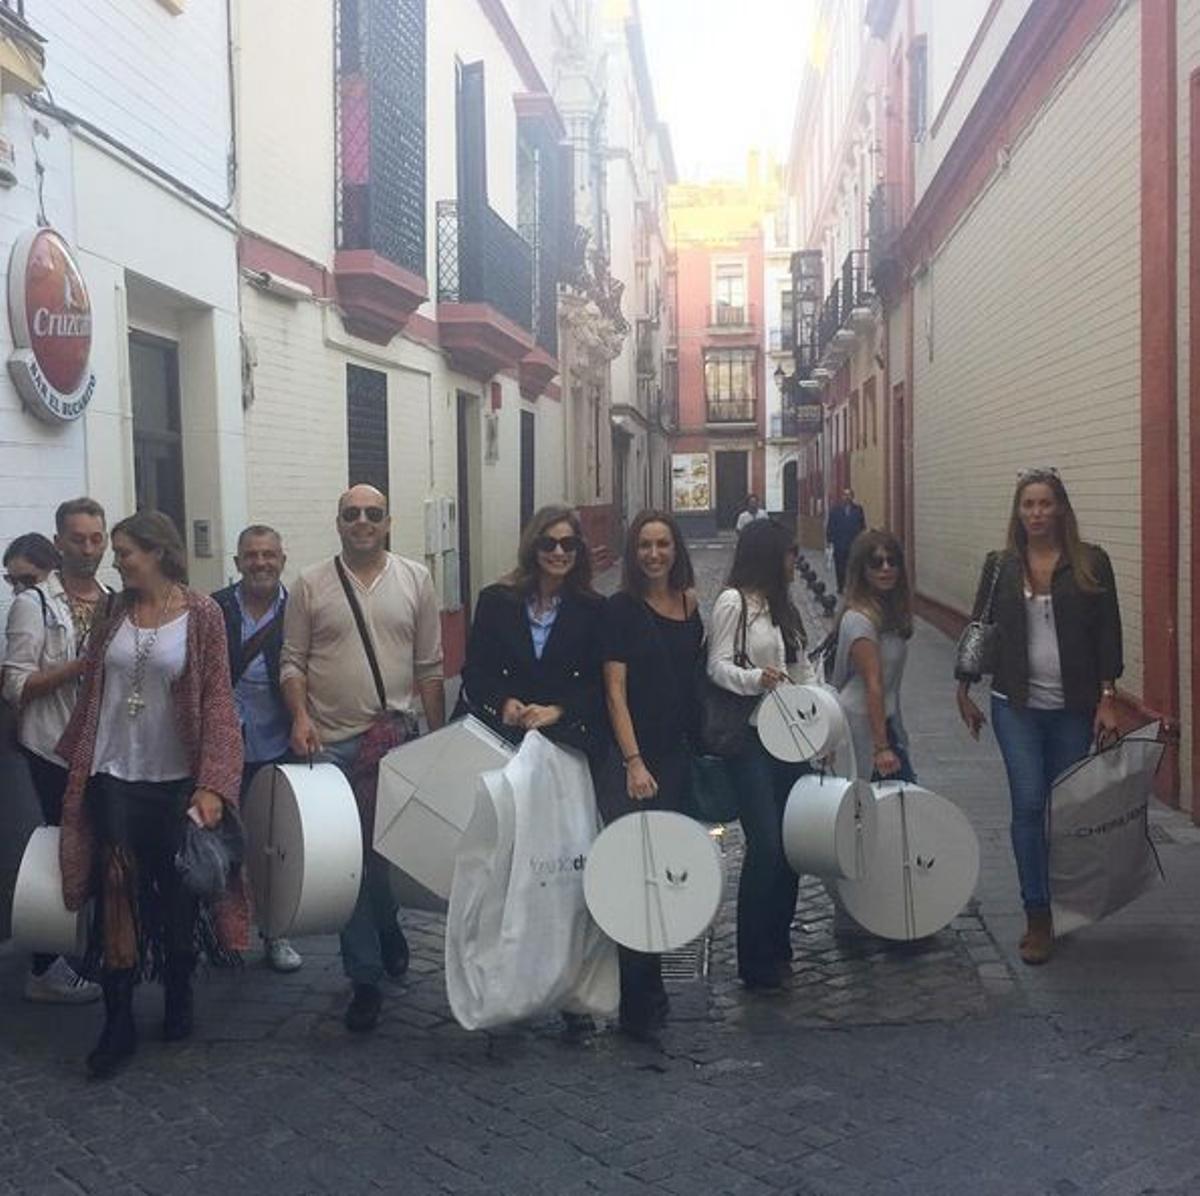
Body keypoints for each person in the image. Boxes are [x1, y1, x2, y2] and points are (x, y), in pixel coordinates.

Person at [57, 511, 247, 1079]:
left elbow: (217, 701)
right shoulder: (114, 612)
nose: (117, 560)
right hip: (113, 773)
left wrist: (214, 783)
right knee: (116, 889)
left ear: (158, 552)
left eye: (126, 551)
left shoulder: (204, 615)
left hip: (175, 779)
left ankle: (179, 987)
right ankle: (117, 1020)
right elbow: (95, 685)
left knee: (177, 894)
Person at [281, 484, 445, 1034]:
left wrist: (438, 742)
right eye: (352, 514)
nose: (362, 522)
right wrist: (300, 717)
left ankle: (390, 925)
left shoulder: (416, 580)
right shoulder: (309, 584)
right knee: (346, 862)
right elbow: (292, 663)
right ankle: (365, 978)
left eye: (373, 514)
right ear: (338, 522)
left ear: (388, 522)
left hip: (394, 739)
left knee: (382, 855)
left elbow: (430, 667)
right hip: (329, 743)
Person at [956, 468, 1122, 966]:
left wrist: (1108, 696)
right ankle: (1037, 915)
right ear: (1018, 511)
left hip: (1073, 708)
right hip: (1016, 706)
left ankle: (1063, 899)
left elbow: (1108, 634)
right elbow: (979, 626)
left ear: (1061, 509)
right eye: (1028, 504)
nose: (1036, 513)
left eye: (1045, 503)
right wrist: (964, 688)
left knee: (1060, 810)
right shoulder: (1002, 565)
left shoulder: (1091, 563)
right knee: (1028, 805)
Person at [3, 499, 112, 1004]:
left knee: (98, 857)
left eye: (96, 538)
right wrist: (79, 668)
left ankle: (92, 951)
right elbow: (16, 686)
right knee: (55, 855)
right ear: (59, 541)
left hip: (103, 750)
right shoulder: (35, 604)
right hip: (50, 749)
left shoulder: (115, 600)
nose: (88, 549)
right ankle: (45, 967)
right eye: (78, 539)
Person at [600, 510, 703, 1040]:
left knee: (664, 875)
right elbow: (615, 691)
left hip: (679, 757)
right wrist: (633, 761)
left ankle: (655, 983)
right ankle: (637, 999)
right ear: (633, 552)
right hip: (639, 762)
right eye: (644, 545)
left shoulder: (689, 605)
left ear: (675, 549)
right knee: (635, 876)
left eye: (663, 544)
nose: (654, 554)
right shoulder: (621, 609)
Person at [708, 518, 817, 990]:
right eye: (790, 552)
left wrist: (820, 713)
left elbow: (803, 666)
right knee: (766, 845)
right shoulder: (734, 603)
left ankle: (778, 945)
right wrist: (757, 679)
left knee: (792, 845)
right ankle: (753, 957)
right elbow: (716, 665)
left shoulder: (783, 607)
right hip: (750, 738)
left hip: (791, 737)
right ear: (770, 555)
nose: (796, 560)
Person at [212, 524, 301, 974]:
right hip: (225, 747)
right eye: (251, 555)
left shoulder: (300, 610)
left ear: (282, 560)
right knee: (224, 843)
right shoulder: (217, 607)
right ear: (237, 563)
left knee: (274, 843)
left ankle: (276, 932)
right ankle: (226, 933)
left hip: (278, 741)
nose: (261, 563)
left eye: (269, 555)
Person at [459, 504, 607, 766]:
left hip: (565, 746)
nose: (559, 552)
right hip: (502, 741)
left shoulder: (595, 610)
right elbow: (475, 671)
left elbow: (599, 684)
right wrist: (503, 703)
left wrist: (559, 710)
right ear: (533, 548)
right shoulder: (495, 602)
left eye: (568, 544)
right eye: (548, 544)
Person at [830, 530, 916, 783]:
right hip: (862, 724)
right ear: (862, 570)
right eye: (876, 563)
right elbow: (873, 684)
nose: (886, 568)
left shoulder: (889, 614)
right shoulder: (860, 619)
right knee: (888, 804)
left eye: (892, 561)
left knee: (893, 807)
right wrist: (881, 747)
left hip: (887, 720)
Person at [825, 488, 866, 593]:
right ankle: (840, 586)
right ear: (842, 497)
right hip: (839, 544)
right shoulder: (835, 510)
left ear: (853, 497)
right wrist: (830, 540)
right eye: (845, 495)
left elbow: (862, 526)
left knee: (853, 567)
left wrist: (862, 539)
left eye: (849, 495)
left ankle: (852, 587)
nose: (847, 497)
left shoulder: (858, 510)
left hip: (853, 543)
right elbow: (830, 526)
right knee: (839, 567)